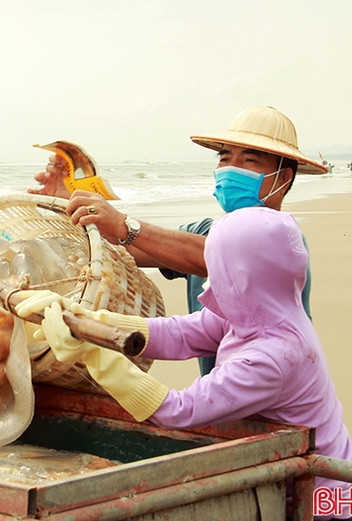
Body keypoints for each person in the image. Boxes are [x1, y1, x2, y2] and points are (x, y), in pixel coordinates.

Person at [15, 207, 352, 521]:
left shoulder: (273, 356)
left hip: (324, 506)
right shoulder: (261, 311)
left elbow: (179, 411)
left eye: (218, 269)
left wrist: (95, 354)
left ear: (242, 278)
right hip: (302, 487)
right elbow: (181, 334)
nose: (208, 283)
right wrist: (90, 321)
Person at [30, 106, 327, 375]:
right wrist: (67, 209)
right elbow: (126, 248)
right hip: (223, 387)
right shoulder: (202, 231)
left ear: (283, 178)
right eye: (225, 158)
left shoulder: (283, 240)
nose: (231, 168)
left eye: (249, 160)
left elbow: (215, 257)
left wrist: (123, 224)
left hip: (276, 381)